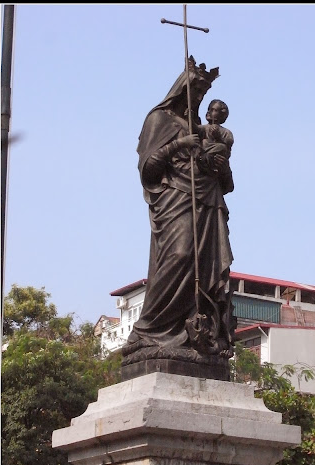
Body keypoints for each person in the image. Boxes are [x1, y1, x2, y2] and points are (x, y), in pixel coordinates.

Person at [122, 56, 235, 373]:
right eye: (194, 92)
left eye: (202, 96)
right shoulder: (160, 120)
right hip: (174, 198)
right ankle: (148, 329)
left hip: (205, 203)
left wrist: (217, 164)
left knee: (205, 267)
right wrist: (177, 145)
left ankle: (192, 334)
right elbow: (149, 168)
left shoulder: (205, 131)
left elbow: (226, 182)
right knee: (180, 255)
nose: (198, 100)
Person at [196, 99, 234, 185]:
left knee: (222, 147)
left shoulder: (226, 132)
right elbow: (195, 129)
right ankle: (203, 158)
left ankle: (207, 159)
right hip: (203, 152)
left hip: (216, 155)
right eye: (209, 109)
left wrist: (218, 137)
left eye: (214, 110)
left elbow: (227, 148)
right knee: (204, 143)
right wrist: (190, 117)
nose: (209, 112)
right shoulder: (204, 127)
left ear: (221, 115)